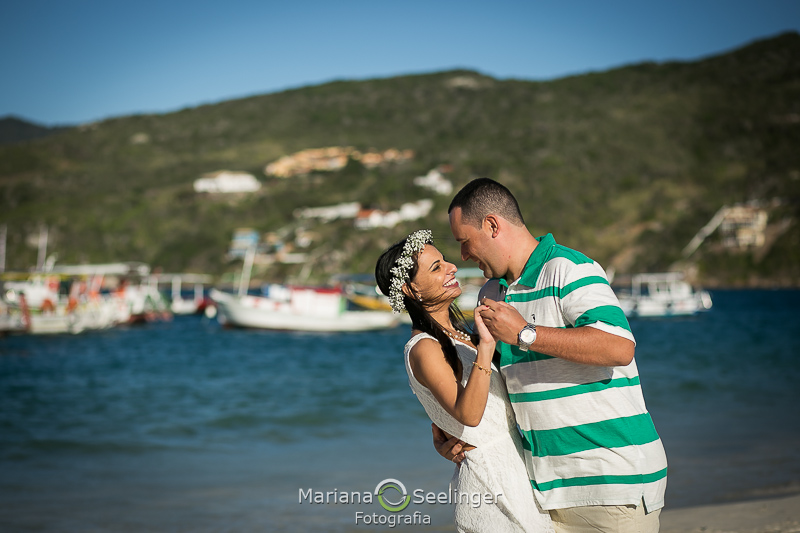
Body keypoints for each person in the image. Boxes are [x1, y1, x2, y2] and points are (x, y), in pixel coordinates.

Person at [436, 178, 667, 533]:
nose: (463, 255)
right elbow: (497, 384)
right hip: (544, 493)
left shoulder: (569, 269)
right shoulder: (491, 292)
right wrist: (451, 428)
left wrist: (524, 334)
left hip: (611, 481)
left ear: (492, 225)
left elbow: (619, 347)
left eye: (465, 242)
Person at [375, 230, 553, 533]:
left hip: (518, 471)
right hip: (490, 485)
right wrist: (486, 347)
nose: (451, 267)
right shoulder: (424, 348)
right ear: (411, 289)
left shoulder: (462, 336)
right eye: (436, 267)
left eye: (444, 261)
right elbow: (469, 416)